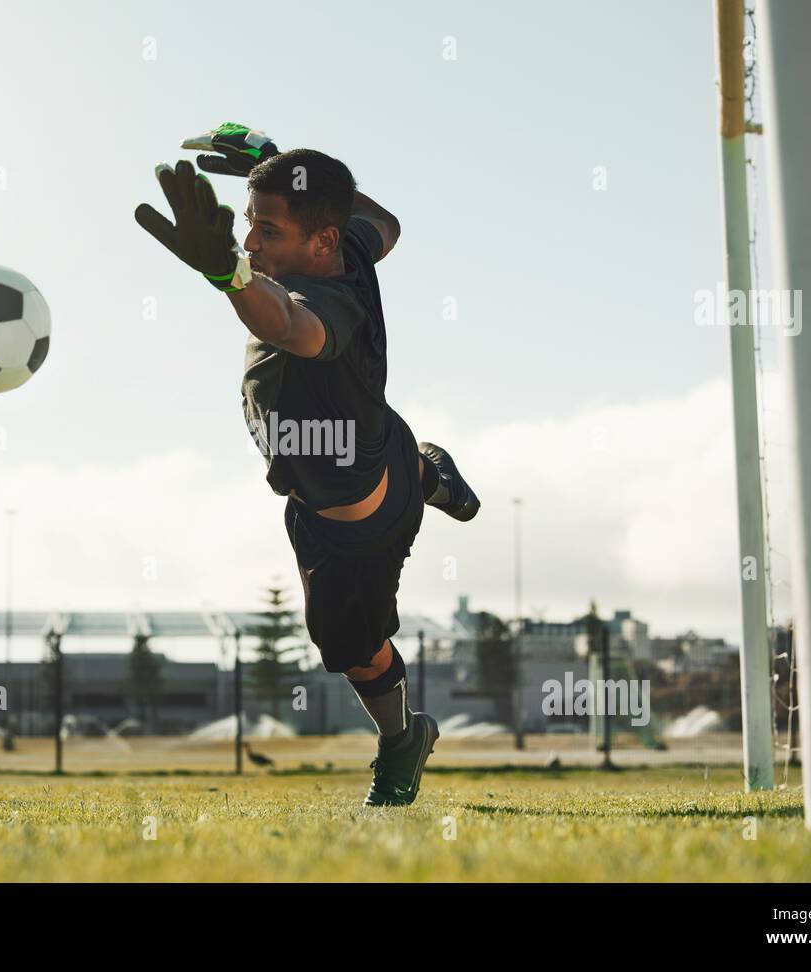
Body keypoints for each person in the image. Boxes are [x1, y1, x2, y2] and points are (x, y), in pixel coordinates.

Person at [135, 123, 480, 806]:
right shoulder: (344, 243)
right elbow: (385, 224)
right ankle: (424, 472)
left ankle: (404, 737)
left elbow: (291, 326)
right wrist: (278, 165)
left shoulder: (324, 299)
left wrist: (227, 272)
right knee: (362, 447)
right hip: (370, 450)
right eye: (246, 227)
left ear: (317, 241)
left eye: (267, 230)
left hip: (356, 527)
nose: (252, 243)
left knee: (350, 649)